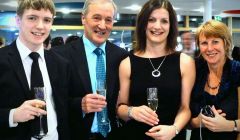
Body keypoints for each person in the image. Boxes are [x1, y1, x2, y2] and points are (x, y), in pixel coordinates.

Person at [116, 0, 195, 140]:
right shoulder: (127, 63)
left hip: (172, 136)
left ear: (171, 26)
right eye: (151, 20)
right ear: (143, 24)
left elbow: (185, 108)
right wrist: (131, 111)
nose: (157, 26)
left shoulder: (185, 62)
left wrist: (174, 129)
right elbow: (120, 108)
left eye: (164, 21)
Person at [53, 0, 128, 139]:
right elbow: (54, 101)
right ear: (83, 18)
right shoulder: (60, 55)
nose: (102, 25)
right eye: (96, 18)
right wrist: (79, 104)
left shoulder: (122, 57)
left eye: (108, 20)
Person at [0, 0, 70, 139]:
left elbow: (64, 106)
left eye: (47, 20)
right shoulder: (2, 60)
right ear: (18, 20)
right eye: (32, 18)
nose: (40, 26)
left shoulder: (61, 63)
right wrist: (13, 115)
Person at [190, 20, 240, 140]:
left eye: (215, 42)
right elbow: (183, 117)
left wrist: (228, 125)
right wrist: (198, 122)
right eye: (204, 43)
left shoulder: (237, 71)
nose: (210, 48)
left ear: (226, 43)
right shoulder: (193, 72)